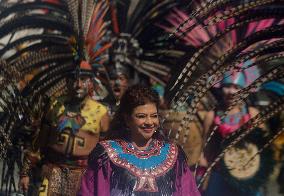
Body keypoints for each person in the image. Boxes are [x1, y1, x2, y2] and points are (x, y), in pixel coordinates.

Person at [78, 85, 200, 196]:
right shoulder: (107, 155)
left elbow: (188, 191)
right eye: (141, 116)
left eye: (154, 116)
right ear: (127, 119)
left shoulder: (173, 154)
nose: (149, 122)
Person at [19, 61, 110, 196]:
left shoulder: (101, 112)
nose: (78, 84)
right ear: (66, 82)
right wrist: (25, 172)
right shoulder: (55, 106)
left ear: (91, 82)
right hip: (53, 169)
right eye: (73, 80)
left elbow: (106, 152)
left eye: (83, 80)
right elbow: (39, 142)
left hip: (83, 174)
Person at [202, 71, 271, 196]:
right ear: (221, 88)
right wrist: (205, 172)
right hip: (220, 172)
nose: (231, 92)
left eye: (237, 87)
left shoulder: (252, 114)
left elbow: (264, 144)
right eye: (227, 86)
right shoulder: (211, 115)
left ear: (245, 90)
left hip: (246, 172)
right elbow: (206, 147)